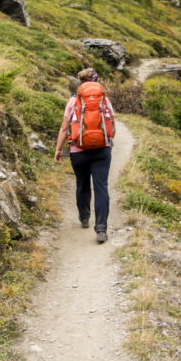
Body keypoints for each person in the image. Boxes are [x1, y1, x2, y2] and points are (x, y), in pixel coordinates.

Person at [54, 67, 116, 243]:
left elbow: (64, 128)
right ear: (96, 81)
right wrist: (108, 144)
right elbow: (112, 124)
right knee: (101, 187)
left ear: (80, 83)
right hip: (101, 151)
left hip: (78, 151)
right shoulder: (104, 100)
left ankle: (84, 217)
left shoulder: (73, 101)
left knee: (82, 185)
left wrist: (59, 150)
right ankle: (101, 230)